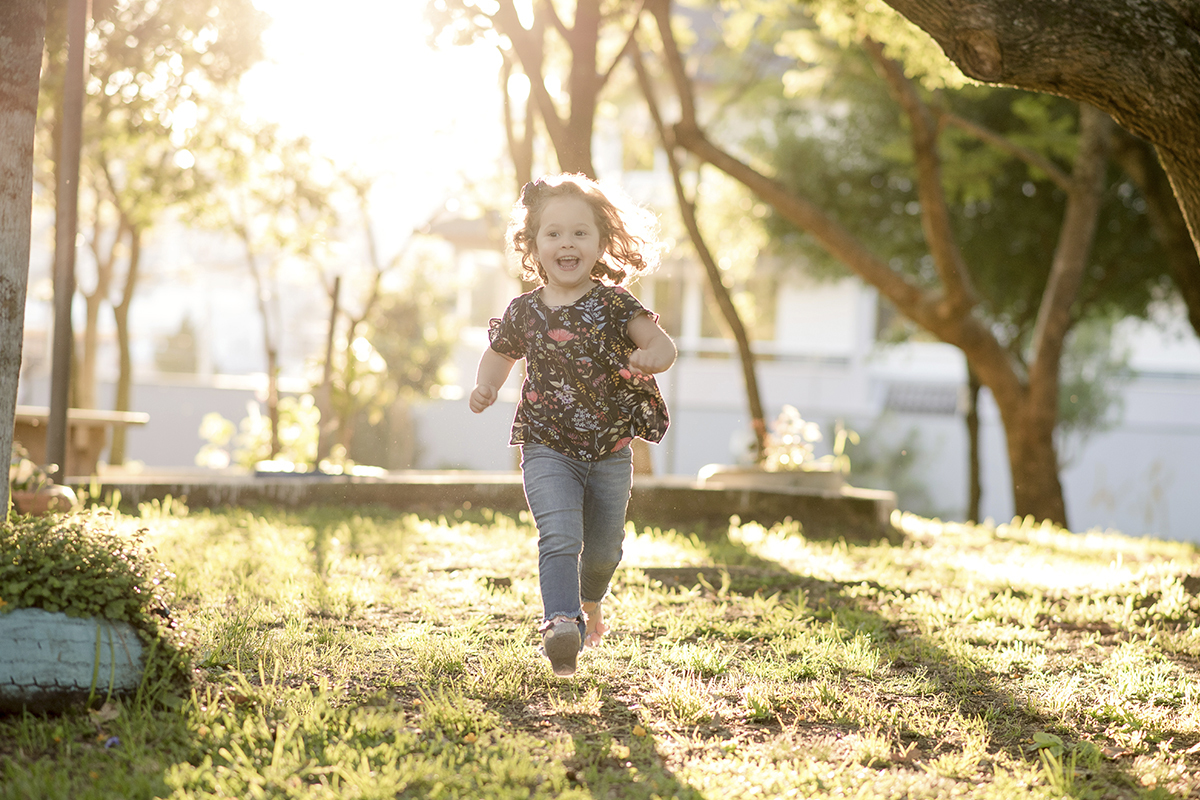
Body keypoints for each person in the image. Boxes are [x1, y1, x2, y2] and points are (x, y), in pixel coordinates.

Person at [469, 173, 676, 677]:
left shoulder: (614, 303)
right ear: (533, 246)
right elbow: (497, 356)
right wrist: (487, 386)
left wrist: (651, 357)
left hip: (609, 449)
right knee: (559, 535)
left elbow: (664, 346)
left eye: (580, 233)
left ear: (601, 242)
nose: (567, 243)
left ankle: (590, 598)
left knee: (604, 549)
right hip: (546, 445)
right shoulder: (523, 311)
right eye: (554, 233)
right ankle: (561, 623)